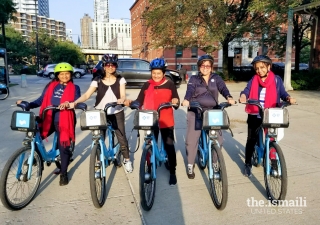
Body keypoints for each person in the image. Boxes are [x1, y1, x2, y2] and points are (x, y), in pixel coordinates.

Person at [16, 62, 81, 186]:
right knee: (36, 136)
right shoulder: (51, 86)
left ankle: (63, 173)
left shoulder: (75, 87)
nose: (64, 76)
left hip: (65, 119)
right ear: (57, 75)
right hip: (48, 117)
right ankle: (37, 156)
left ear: (71, 74)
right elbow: (41, 100)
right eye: (61, 74)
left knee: (63, 147)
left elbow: (76, 100)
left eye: (67, 74)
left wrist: (68, 103)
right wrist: (28, 104)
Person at [70, 54, 133, 173]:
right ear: (104, 66)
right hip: (100, 112)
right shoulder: (97, 80)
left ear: (116, 66)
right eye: (107, 65)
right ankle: (98, 160)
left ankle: (127, 159)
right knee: (99, 137)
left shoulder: (121, 80)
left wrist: (122, 99)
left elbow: (123, 94)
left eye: (113, 64)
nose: (110, 67)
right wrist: (75, 103)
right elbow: (86, 95)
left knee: (121, 136)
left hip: (116, 110)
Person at [239, 55, 296, 177]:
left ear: (268, 66)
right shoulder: (254, 80)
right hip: (255, 113)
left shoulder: (276, 80)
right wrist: (243, 96)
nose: (259, 70)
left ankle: (274, 161)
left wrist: (288, 98)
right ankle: (248, 163)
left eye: (262, 67)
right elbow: (246, 91)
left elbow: (283, 93)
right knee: (251, 139)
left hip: (271, 114)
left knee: (272, 139)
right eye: (257, 68)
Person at [124, 58, 180, 185]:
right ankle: (149, 167)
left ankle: (172, 171)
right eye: (153, 73)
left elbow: (176, 98)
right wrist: (131, 103)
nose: (156, 75)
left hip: (165, 119)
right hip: (150, 118)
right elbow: (139, 100)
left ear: (163, 73)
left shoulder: (169, 83)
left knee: (169, 145)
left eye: (158, 73)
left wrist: (175, 100)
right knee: (148, 144)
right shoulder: (147, 84)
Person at [181, 54, 235, 179]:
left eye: (208, 65)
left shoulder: (216, 78)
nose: (205, 67)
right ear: (199, 67)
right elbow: (189, 90)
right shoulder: (194, 79)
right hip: (196, 111)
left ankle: (215, 161)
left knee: (219, 140)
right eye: (202, 65)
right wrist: (186, 100)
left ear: (211, 67)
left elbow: (223, 88)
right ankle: (190, 164)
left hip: (212, 112)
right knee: (191, 140)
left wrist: (229, 97)